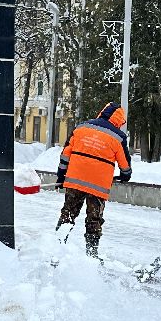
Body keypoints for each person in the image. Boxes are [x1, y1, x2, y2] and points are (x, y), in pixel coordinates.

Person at [55, 102, 132, 257]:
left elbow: (65, 154)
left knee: (68, 213)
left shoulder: (81, 127)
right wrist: (125, 175)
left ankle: (57, 247)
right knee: (94, 220)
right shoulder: (118, 137)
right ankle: (91, 254)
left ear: (102, 112)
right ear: (119, 120)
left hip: (75, 181)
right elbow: (124, 164)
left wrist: (61, 175)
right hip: (98, 188)